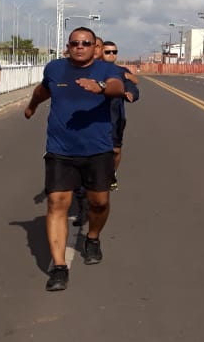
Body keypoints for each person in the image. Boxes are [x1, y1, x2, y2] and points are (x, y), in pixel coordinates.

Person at [23, 27, 127, 292]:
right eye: (74, 43)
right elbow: (42, 90)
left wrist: (100, 87)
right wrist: (32, 106)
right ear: (68, 46)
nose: (80, 46)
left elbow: (117, 87)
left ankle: (92, 237)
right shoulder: (55, 68)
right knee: (57, 202)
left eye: (86, 43)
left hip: (97, 149)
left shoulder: (106, 71)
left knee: (99, 203)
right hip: (60, 149)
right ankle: (59, 267)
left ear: (95, 47)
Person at [101, 41, 140, 189]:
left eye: (114, 52)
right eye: (108, 52)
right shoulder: (93, 69)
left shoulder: (121, 71)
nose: (111, 55)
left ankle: (112, 173)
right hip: (94, 118)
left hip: (115, 118)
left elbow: (132, 85)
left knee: (115, 150)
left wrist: (131, 94)